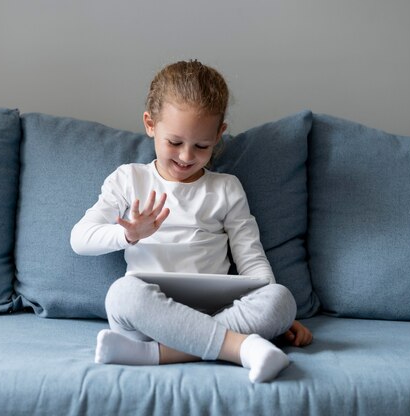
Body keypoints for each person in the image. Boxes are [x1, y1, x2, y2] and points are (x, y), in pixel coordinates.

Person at [71, 60, 312, 383]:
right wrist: (128, 235)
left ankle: (155, 355)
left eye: (201, 146)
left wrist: (274, 313)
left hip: (218, 312)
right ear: (150, 124)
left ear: (219, 134)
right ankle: (242, 347)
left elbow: (251, 257)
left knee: (280, 299)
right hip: (151, 317)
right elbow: (80, 239)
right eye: (175, 143)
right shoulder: (129, 179)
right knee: (122, 294)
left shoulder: (226, 188)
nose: (186, 157)